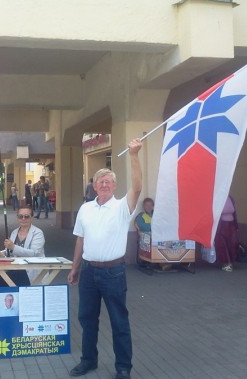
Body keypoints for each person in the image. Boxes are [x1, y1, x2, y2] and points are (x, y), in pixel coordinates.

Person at [68, 139, 142, 379]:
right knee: (87, 320)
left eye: (108, 181)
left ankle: (123, 368)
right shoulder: (85, 209)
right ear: (94, 185)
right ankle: (88, 360)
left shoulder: (122, 207)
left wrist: (133, 155)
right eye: (100, 181)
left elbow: (138, 188)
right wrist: (75, 268)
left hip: (113, 273)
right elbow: (80, 239)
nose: (104, 184)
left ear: (115, 186)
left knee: (119, 322)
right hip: (89, 272)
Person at [0, 206, 45, 294]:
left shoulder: (38, 233)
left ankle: (8, 303)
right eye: (20, 216)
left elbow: (34, 253)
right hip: (15, 269)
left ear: (32, 217)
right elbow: (9, 251)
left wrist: (13, 247)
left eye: (26, 216)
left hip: (29, 270)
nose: (23, 219)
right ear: (18, 218)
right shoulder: (14, 232)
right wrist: (3, 254)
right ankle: (2, 304)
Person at [214, 195, 239, 272]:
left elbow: (234, 213)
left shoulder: (230, 198)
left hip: (231, 224)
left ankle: (229, 261)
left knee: (231, 243)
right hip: (222, 224)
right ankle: (226, 262)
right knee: (222, 244)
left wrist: (236, 225)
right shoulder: (218, 198)